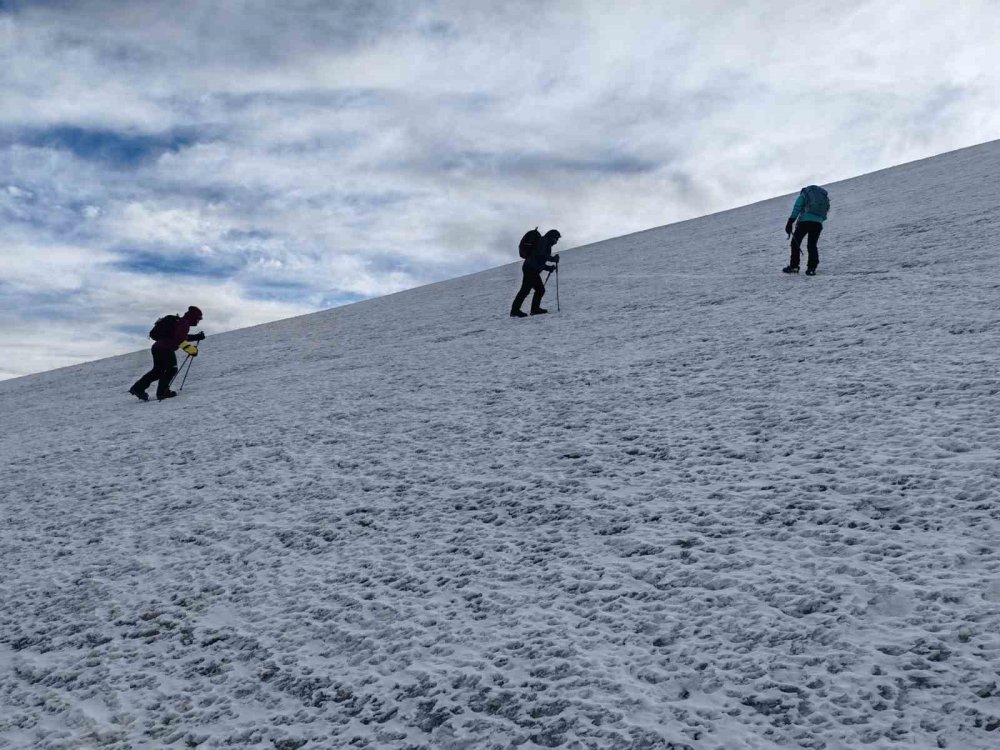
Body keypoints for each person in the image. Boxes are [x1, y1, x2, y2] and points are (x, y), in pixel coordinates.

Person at [129, 306, 205, 401]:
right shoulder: (184, 324)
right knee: (171, 370)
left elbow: (180, 337)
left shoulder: (180, 322)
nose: (198, 321)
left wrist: (196, 337)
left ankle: (138, 388)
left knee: (157, 371)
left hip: (157, 348)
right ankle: (162, 392)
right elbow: (179, 339)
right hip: (166, 348)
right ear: (193, 317)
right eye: (198, 319)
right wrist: (191, 350)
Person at [510, 229, 560, 317]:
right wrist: (553, 259)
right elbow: (541, 255)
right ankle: (516, 311)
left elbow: (540, 260)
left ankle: (533, 309)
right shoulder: (543, 241)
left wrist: (549, 268)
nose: (556, 241)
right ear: (552, 236)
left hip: (531, 268)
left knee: (538, 290)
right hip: (530, 268)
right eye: (556, 239)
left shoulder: (545, 243)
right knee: (526, 290)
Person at [783, 185, 830, 276]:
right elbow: (826, 209)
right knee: (812, 245)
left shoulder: (804, 195)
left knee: (795, 243)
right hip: (818, 223)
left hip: (805, 222)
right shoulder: (823, 197)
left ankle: (794, 266)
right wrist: (819, 220)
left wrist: (790, 222)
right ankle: (812, 268)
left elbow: (797, 208)